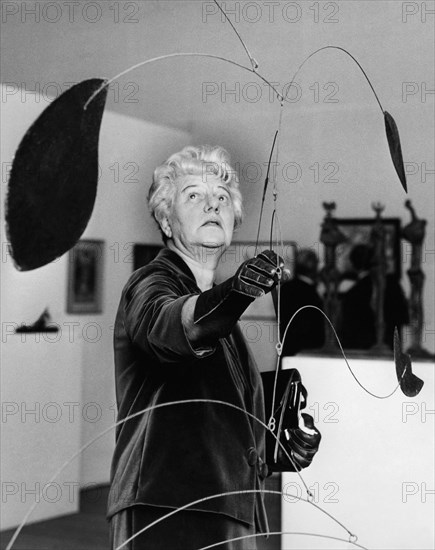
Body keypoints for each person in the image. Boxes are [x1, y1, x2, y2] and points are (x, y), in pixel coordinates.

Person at [107, 145, 287, 550]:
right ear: (167, 222)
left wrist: (278, 444)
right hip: (169, 509)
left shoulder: (221, 314)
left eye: (222, 198)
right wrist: (235, 295)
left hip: (231, 510)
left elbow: (217, 415)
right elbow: (171, 324)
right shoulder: (151, 283)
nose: (212, 204)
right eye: (194, 195)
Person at [278, 249, 325, 356]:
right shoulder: (312, 292)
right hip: (307, 350)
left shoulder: (285, 288)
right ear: (313, 268)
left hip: (288, 347)